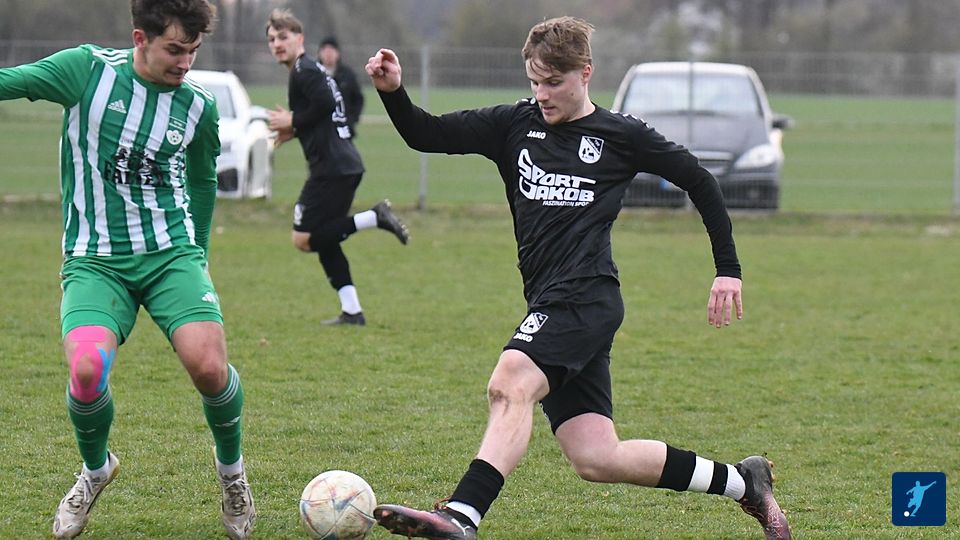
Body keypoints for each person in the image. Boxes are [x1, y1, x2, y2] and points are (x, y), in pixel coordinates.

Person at [365, 16, 790, 540]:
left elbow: (699, 180)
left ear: (585, 73)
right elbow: (425, 133)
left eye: (553, 82)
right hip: (552, 300)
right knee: (597, 457)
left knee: (510, 382)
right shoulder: (513, 124)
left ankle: (462, 515)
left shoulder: (621, 136)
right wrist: (393, 91)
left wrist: (728, 270)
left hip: (585, 298)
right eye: (534, 81)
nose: (541, 94)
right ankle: (744, 483)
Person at [0, 1, 255, 539]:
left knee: (209, 367)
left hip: (171, 255)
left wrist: (198, 252)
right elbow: (11, 81)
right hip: (96, 260)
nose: (185, 62)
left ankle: (232, 473)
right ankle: (96, 470)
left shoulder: (198, 106)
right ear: (140, 38)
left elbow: (203, 180)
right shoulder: (85, 72)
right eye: (175, 50)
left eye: (193, 51)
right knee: (86, 370)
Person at [265, 9, 409, 327]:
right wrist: (293, 130)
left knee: (303, 238)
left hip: (331, 168)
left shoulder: (303, 70)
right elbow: (325, 114)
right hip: (343, 164)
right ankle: (352, 311)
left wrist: (293, 120)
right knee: (326, 239)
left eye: (283, 37)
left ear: (300, 39)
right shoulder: (310, 70)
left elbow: (327, 104)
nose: (277, 44)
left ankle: (374, 217)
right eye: (272, 39)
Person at [318, 35, 365, 138]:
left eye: (332, 50)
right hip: (320, 131)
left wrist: (351, 120)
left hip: (344, 130)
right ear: (320, 53)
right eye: (325, 50)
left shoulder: (348, 75)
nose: (328, 54)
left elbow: (358, 100)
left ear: (338, 53)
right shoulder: (314, 75)